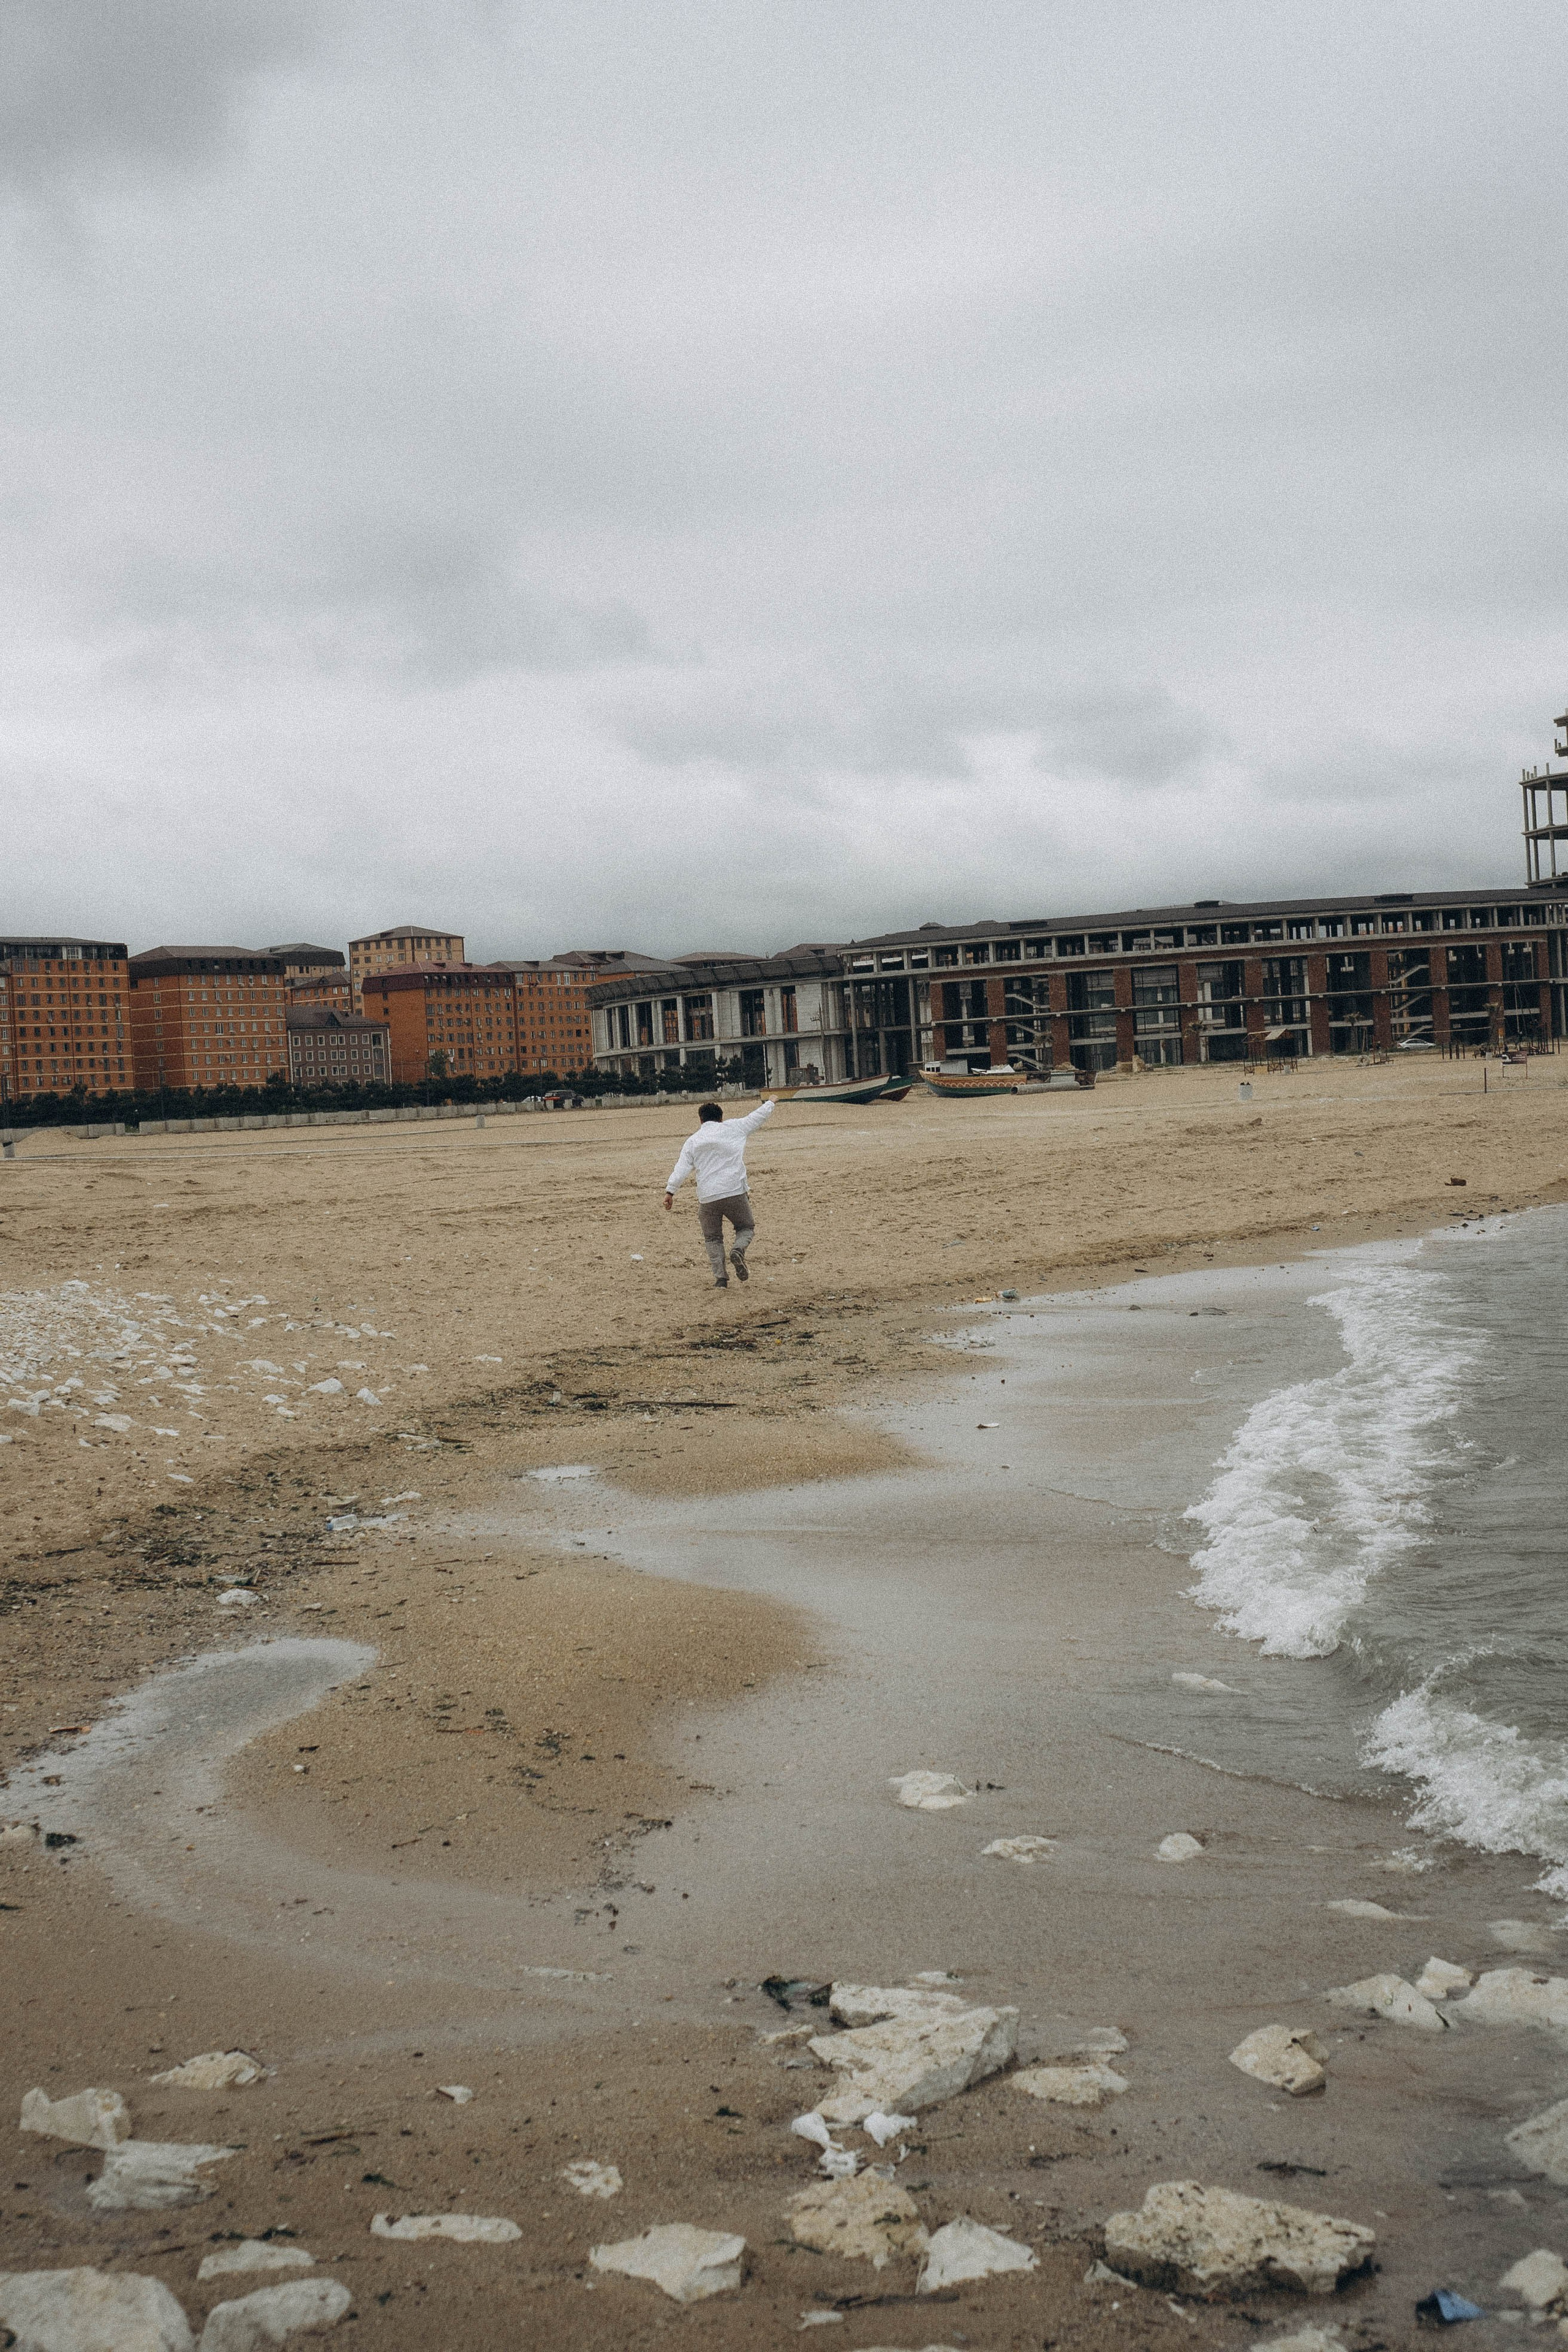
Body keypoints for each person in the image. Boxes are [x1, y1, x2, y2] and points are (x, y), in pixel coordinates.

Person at [663, 1096, 775, 1286]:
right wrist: (771, 1102)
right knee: (746, 1228)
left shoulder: (693, 1141)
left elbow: (681, 1168)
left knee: (713, 1238)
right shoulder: (734, 1128)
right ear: (721, 1118)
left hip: (708, 1197)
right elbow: (757, 1117)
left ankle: (721, 1279)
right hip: (734, 1191)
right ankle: (738, 1250)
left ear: (701, 1120)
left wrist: (670, 1192)